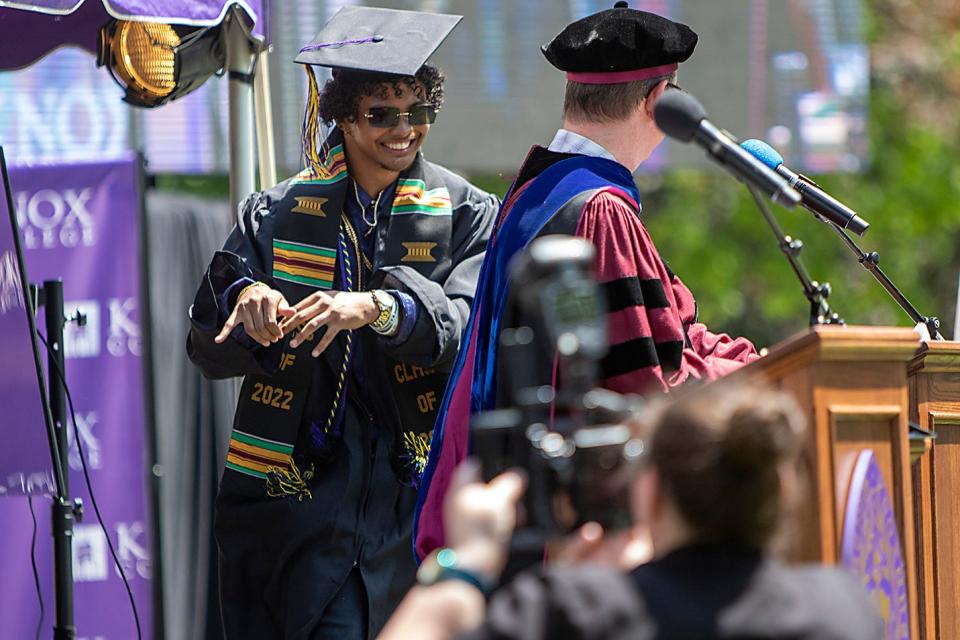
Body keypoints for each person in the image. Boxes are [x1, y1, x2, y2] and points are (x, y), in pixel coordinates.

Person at [186, 6, 499, 638]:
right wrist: (248, 306)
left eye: (418, 111)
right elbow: (206, 347)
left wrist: (381, 308)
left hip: (412, 499)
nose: (403, 129)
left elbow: (467, 330)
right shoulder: (274, 214)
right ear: (343, 116)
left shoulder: (467, 213)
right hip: (297, 508)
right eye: (382, 113)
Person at [414, 1, 759, 560]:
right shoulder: (601, 210)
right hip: (578, 526)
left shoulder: (538, 191)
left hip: (512, 488)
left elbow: (657, 327)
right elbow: (643, 382)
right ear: (658, 103)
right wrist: (752, 371)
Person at [381, 383, 884, 639]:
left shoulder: (576, 612)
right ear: (782, 488)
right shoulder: (844, 610)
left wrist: (467, 562)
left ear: (651, 492)